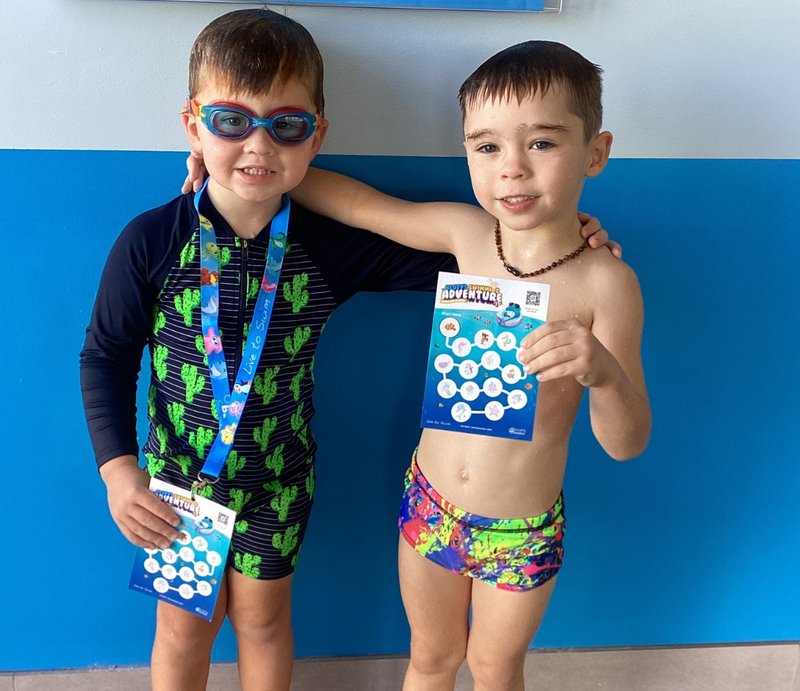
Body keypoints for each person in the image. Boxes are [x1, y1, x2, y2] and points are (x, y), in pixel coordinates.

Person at [80, 8, 611, 690]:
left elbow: (482, 263)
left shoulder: (326, 247)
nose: (258, 145)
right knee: (183, 629)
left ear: (316, 136)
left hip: (280, 482)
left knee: (264, 622)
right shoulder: (151, 241)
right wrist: (118, 470)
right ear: (194, 125)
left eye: (287, 126)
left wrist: (557, 241)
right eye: (230, 121)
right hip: (177, 482)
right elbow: (106, 354)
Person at [289, 40, 652, 690]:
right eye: (486, 146)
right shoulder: (466, 235)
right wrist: (254, 166)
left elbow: (627, 444)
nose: (511, 168)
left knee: (493, 666)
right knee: (430, 659)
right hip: (430, 503)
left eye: (542, 143)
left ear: (594, 153)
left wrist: (600, 371)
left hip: (521, 528)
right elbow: (360, 207)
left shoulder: (607, 283)